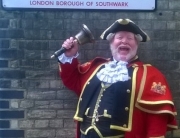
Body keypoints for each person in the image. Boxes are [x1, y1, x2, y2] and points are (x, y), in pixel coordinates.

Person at [58, 19, 178, 138]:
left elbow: (157, 118)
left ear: (137, 44)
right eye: (119, 37)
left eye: (130, 38)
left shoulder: (151, 74)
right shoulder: (96, 67)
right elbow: (73, 81)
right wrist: (70, 56)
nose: (124, 41)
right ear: (111, 43)